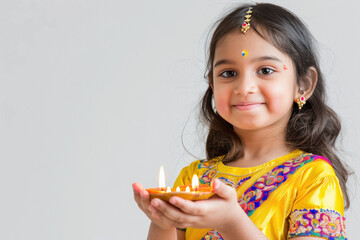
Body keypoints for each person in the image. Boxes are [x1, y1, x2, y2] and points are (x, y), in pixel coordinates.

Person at [132, 3, 350, 239]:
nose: (244, 88)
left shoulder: (314, 178)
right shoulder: (194, 179)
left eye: (265, 70)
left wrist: (231, 221)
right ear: (212, 85)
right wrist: (162, 222)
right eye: (229, 73)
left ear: (304, 85)